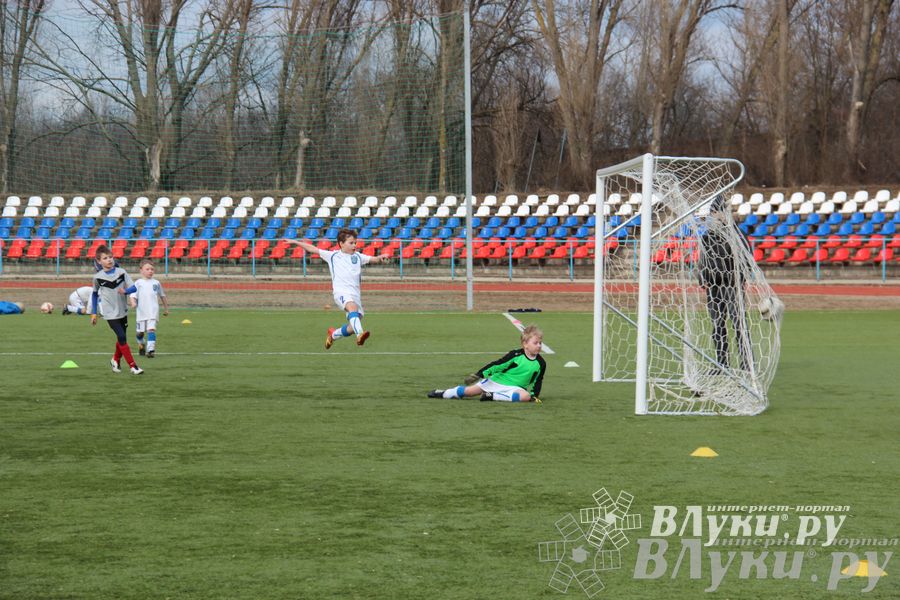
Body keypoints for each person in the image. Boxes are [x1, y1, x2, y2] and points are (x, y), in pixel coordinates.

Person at [284, 229, 389, 349]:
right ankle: (360, 335)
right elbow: (312, 249)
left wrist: (381, 257)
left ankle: (333, 335)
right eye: (351, 243)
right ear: (341, 243)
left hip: (355, 295)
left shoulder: (358, 257)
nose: (354, 245)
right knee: (352, 308)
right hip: (341, 292)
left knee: (352, 327)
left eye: (355, 243)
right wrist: (296, 242)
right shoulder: (332, 256)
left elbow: (373, 259)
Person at [698, 195, 752, 372]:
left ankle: (746, 363)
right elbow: (703, 259)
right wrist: (702, 277)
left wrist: (741, 279)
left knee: (739, 325)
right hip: (713, 287)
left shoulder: (737, 234)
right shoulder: (707, 236)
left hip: (732, 285)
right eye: (713, 212)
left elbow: (746, 259)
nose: (715, 216)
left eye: (718, 212)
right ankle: (722, 363)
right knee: (717, 326)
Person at [427, 325, 547, 403]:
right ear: (525, 344)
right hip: (496, 382)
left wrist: (534, 395)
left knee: (525, 397)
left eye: (540, 343)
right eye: (536, 343)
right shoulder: (515, 355)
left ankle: (491, 396)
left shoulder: (541, 363)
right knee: (469, 392)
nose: (539, 346)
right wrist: (479, 375)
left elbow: (538, 381)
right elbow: (497, 365)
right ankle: (443, 393)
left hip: (516, 389)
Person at [91, 244, 143, 375]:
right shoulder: (98, 277)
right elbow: (94, 294)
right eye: (105, 258)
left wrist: (125, 290)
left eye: (110, 257)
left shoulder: (122, 272)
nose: (109, 260)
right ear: (99, 261)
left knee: (122, 338)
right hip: (109, 313)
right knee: (121, 336)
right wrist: (93, 313)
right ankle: (133, 366)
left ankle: (115, 359)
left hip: (122, 310)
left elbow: (134, 287)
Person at [129, 259, 169, 357]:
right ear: (141, 270)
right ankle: (141, 343)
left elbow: (162, 296)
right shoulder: (138, 283)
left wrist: (166, 309)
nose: (150, 271)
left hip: (153, 312)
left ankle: (150, 350)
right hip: (141, 312)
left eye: (152, 269)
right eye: (147, 269)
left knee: (151, 330)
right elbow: (132, 295)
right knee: (140, 333)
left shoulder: (156, 283)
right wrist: (133, 303)